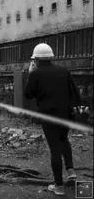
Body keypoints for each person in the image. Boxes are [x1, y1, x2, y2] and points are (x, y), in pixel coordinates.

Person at [24, 43, 80, 195]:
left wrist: (31, 74)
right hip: (65, 115)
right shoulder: (64, 71)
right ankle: (70, 170)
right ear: (51, 57)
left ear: (36, 59)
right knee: (64, 140)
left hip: (48, 116)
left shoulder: (36, 73)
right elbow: (75, 93)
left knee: (55, 149)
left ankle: (59, 186)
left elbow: (28, 94)